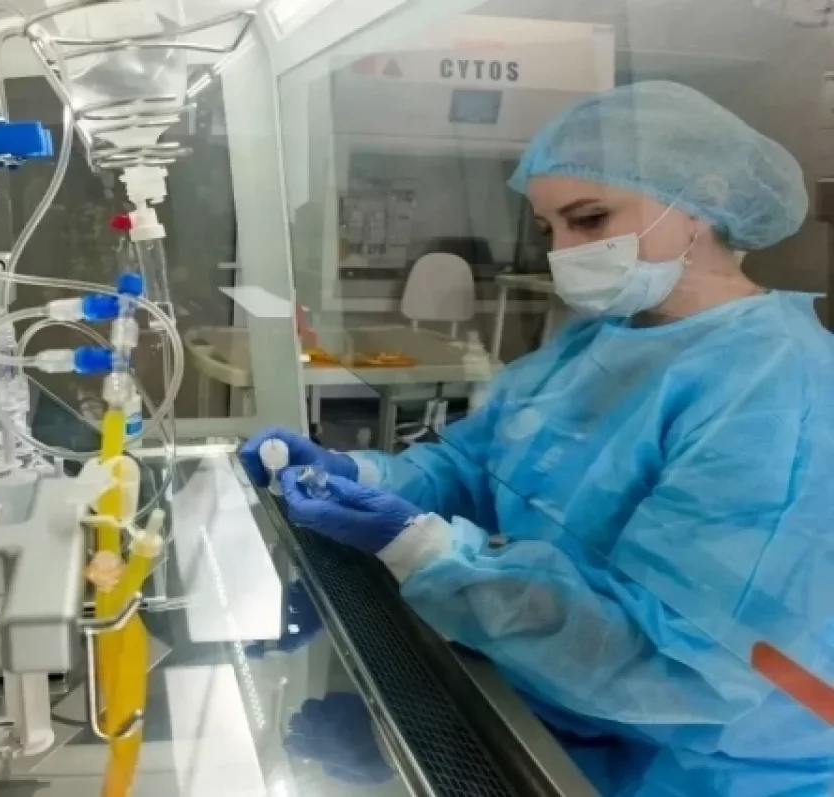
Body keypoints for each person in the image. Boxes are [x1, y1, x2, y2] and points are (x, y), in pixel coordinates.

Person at [240, 81, 834, 796]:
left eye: (589, 218)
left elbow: (677, 665)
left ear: (701, 200)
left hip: (706, 768)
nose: (565, 251)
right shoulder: (597, 343)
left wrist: (426, 549)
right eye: (550, 228)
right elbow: (477, 464)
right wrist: (360, 475)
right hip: (553, 714)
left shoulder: (780, 389)